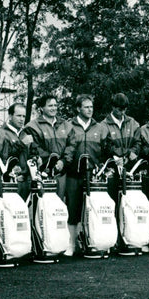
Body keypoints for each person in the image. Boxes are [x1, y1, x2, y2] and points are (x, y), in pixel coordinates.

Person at [62, 95, 102, 255]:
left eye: (91, 107)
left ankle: (91, 241)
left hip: (92, 175)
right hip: (73, 174)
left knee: (92, 210)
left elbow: (105, 150)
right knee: (73, 208)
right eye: (86, 107)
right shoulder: (68, 126)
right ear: (78, 108)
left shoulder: (99, 127)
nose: (90, 110)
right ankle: (71, 244)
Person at [22, 95, 71, 199]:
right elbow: (34, 147)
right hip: (43, 172)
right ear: (42, 108)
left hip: (61, 172)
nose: (53, 108)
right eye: (50, 106)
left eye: (55, 105)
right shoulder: (32, 126)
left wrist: (63, 161)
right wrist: (50, 161)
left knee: (59, 206)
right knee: (43, 205)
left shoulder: (66, 125)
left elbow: (72, 145)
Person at [98, 93, 141, 200]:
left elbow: (138, 143)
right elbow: (107, 147)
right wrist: (125, 153)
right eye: (119, 109)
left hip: (129, 168)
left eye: (124, 109)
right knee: (112, 202)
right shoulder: (103, 125)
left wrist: (127, 157)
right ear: (113, 107)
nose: (122, 112)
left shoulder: (133, 123)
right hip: (112, 169)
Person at [0, 102, 33, 199]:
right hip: (10, 182)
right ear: (10, 116)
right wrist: (22, 144)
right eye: (18, 116)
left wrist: (35, 157)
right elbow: (5, 157)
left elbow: (30, 154)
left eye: (23, 116)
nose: (21, 119)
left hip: (25, 181)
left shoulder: (25, 133)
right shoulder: (1, 133)